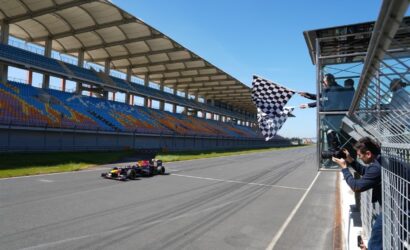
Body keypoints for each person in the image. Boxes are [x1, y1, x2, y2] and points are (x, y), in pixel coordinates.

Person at [332, 137, 382, 250]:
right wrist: (350, 160)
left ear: (368, 154)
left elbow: (356, 186)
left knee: (375, 241)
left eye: (359, 155)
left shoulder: (377, 167)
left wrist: (345, 168)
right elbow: (366, 172)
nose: (358, 157)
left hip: (399, 210)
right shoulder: (380, 161)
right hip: (397, 206)